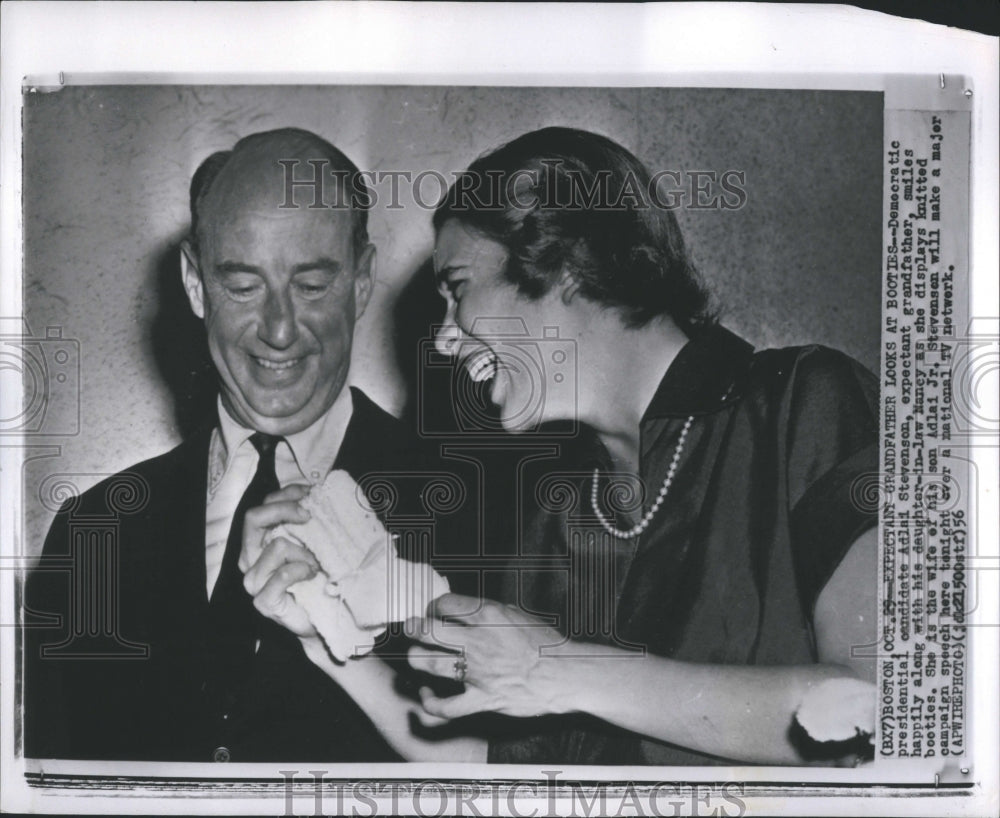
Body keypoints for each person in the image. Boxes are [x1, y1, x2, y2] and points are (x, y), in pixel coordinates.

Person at [398, 126, 880, 766]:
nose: (443, 339)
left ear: (565, 263)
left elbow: (878, 712)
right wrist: (326, 638)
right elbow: (514, 775)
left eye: (458, 288)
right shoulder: (557, 512)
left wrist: (562, 671)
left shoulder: (807, 404)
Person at [23, 127, 480, 763]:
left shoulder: (476, 507)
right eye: (242, 286)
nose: (279, 329)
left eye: (312, 285)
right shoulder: (94, 532)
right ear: (192, 282)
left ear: (362, 280)